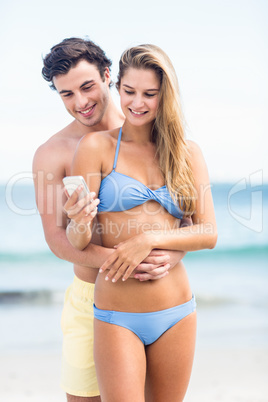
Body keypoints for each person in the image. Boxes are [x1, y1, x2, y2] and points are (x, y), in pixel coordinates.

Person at [33, 38, 189, 402]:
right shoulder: (52, 154)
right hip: (91, 299)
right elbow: (57, 239)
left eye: (87, 86)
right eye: (66, 94)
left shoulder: (152, 135)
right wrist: (124, 261)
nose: (81, 102)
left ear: (108, 77)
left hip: (158, 295)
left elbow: (184, 220)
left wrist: (169, 256)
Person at [65, 44, 217, 401]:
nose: (137, 103)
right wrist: (79, 220)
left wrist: (148, 240)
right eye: (129, 91)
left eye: (149, 94)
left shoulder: (187, 152)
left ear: (165, 95)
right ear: (118, 87)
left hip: (177, 311)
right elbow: (78, 241)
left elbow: (207, 232)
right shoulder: (96, 147)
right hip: (118, 314)